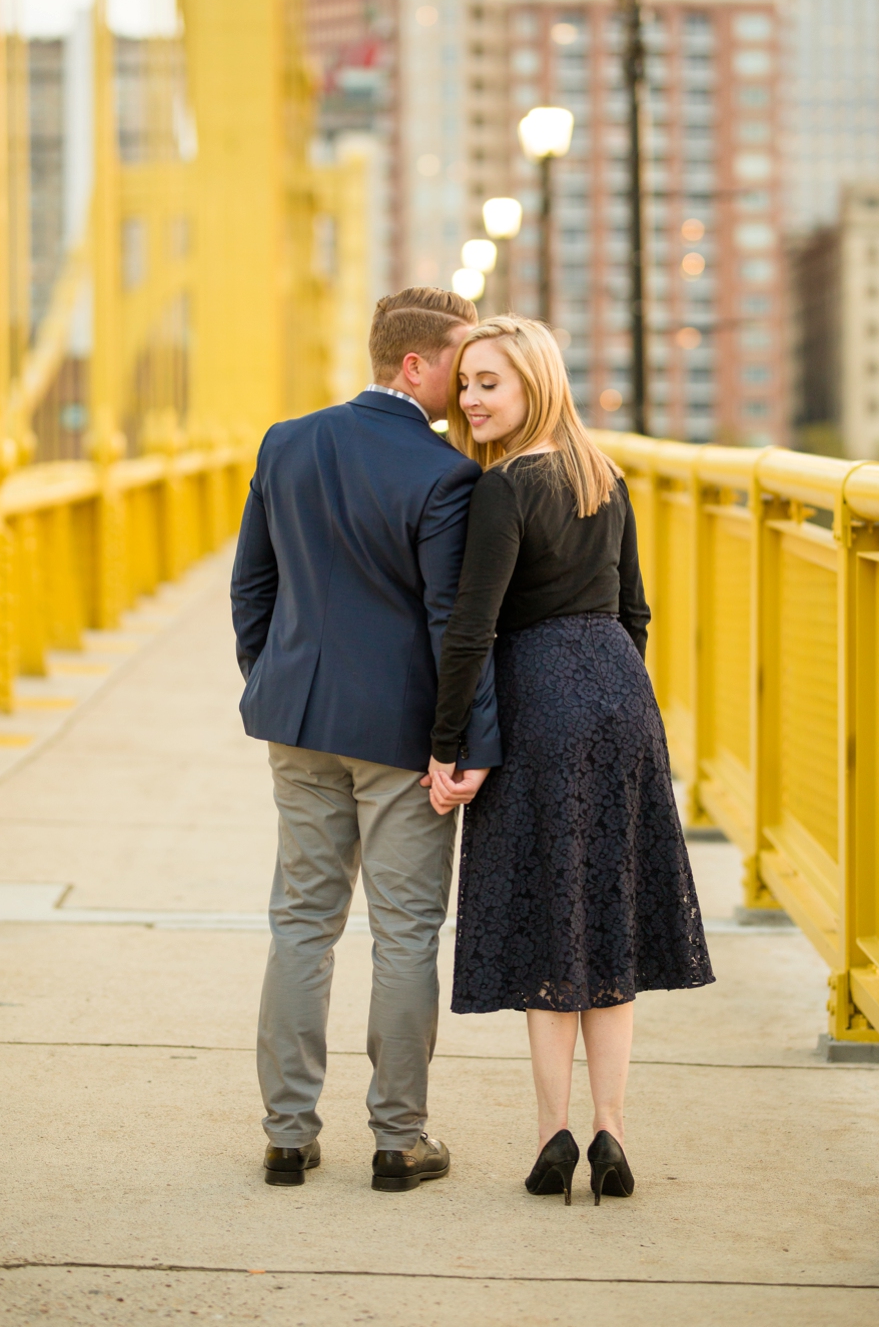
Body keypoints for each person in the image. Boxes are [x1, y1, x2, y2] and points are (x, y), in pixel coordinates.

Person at [425, 315, 714, 1207]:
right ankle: (611, 1131)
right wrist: (611, 686)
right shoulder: (605, 474)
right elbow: (635, 613)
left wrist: (449, 746)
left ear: (533, 387)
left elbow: (473, 627)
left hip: (538, 696)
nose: (470, 400)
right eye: (466, 383)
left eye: (489, 384)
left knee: (554, 917)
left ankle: (553, 1132)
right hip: (621, 695)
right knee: (610, 915)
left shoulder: (505, 487)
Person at [230, 286, 501, 1194]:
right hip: (399, 736)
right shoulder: (447, 477)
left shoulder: (287, 441)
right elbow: (448, 625)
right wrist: (462, 741)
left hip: (298, 724)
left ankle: (287, 1136)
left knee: (301, 925)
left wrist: (274, 680)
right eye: (460, 365)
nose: (466, 387)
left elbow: (252, 588)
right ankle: (398, 1139)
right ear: (415, 365)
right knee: (405, 933)